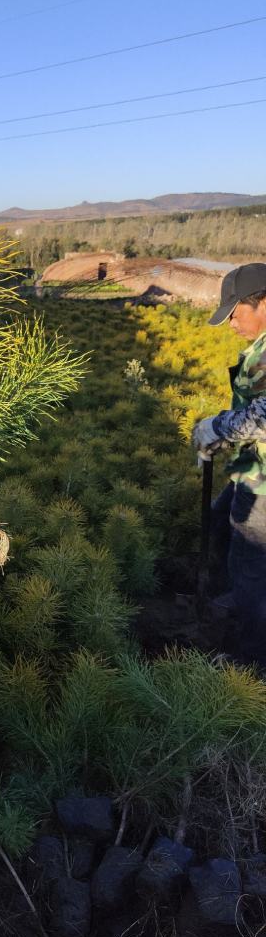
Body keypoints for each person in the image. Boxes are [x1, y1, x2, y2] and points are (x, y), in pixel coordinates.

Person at [192, 263, 266, 667]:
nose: (231, 324)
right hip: (251, 468)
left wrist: (218, 426)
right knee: (220, 519)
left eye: (236, 313)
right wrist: (220, 432)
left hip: (264, 488)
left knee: (251, 566)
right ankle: (228, 598)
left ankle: (250, 664)